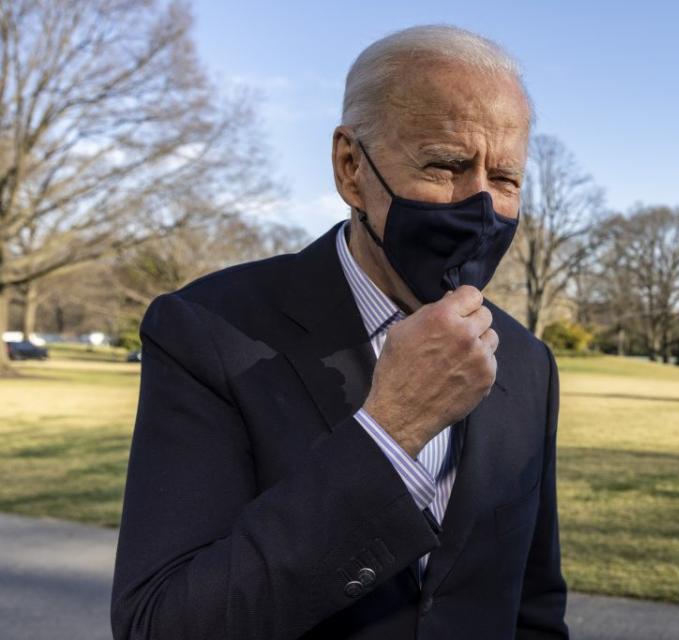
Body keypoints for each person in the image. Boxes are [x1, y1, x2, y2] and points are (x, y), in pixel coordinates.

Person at [110, 25, 568, 639]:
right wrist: (390, 431)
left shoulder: (528, 362)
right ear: (351, 168)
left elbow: (533, 608)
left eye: (506, 179)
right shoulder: (207, 331)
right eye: (445, 165)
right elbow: (160, 625)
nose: (481, 204)